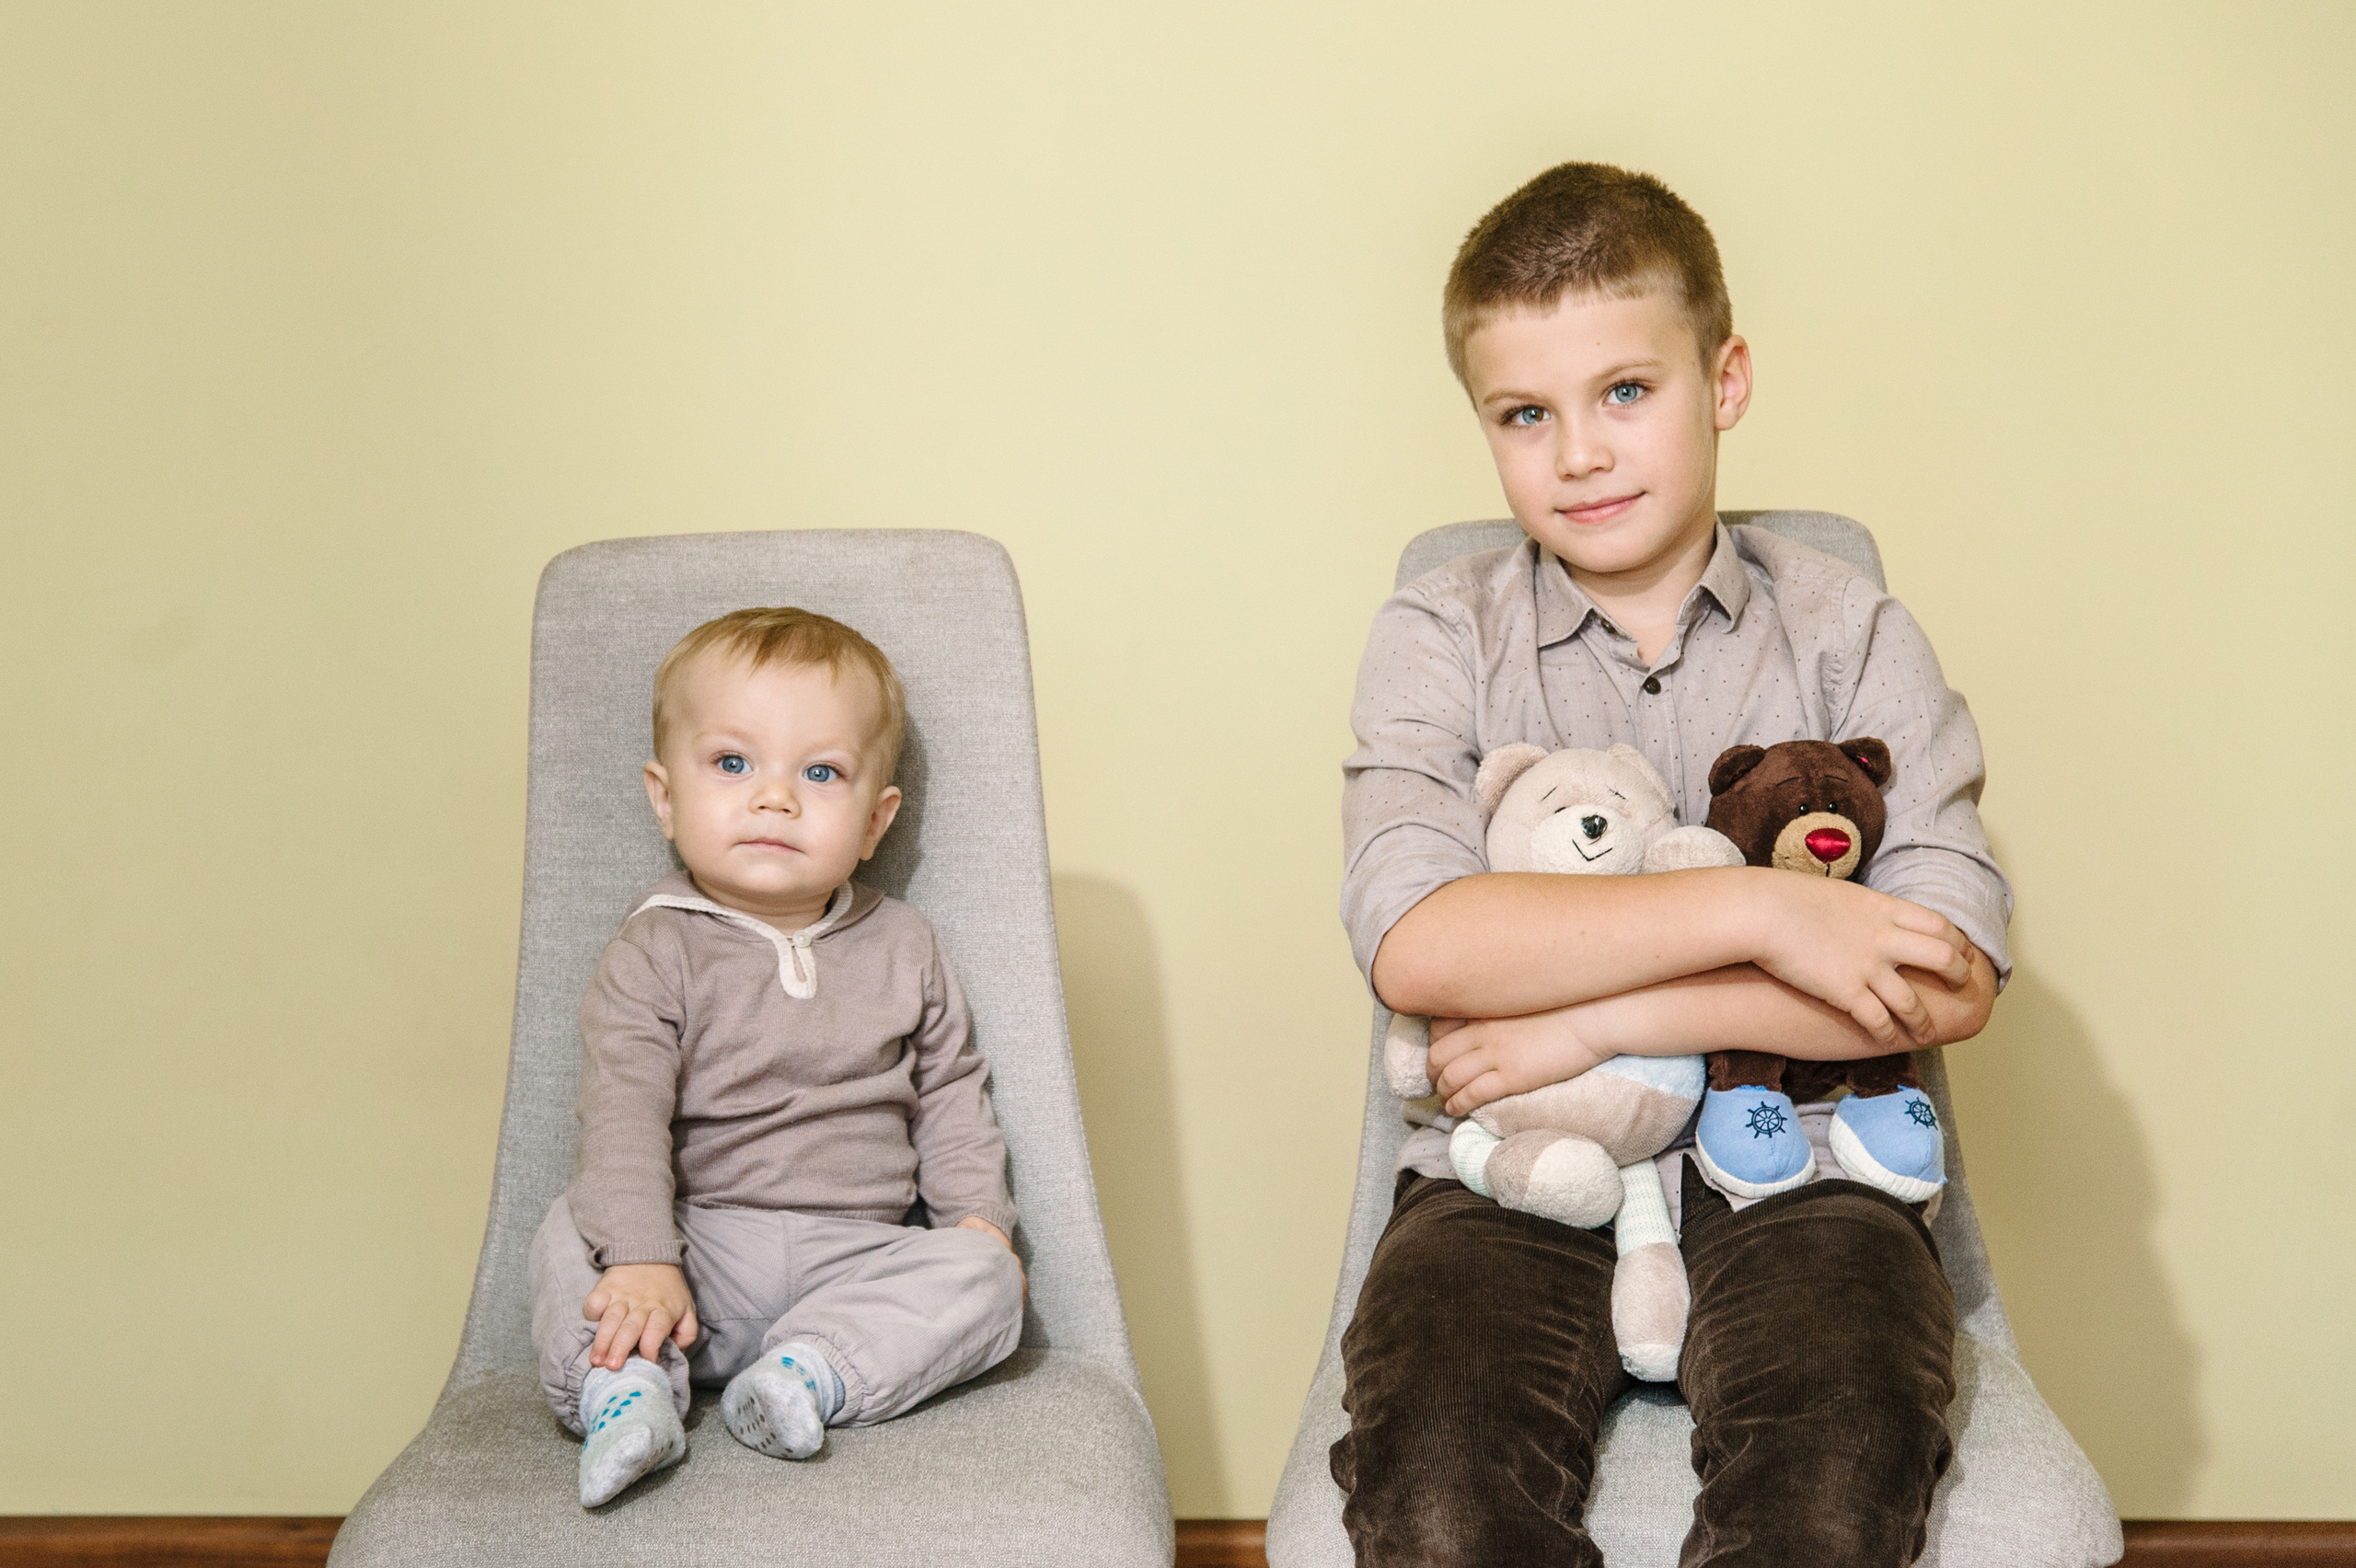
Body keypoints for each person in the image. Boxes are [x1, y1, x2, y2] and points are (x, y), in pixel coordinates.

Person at [1332, 162, 2007, 1566]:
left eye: (1626, 392)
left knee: (1835, 1474)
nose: (1579, 453)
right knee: (1440, 1490)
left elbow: (1943, 975)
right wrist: (1772, 912)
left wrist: (1593, 1015)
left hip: (1815, 1160)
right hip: (1517, 1155)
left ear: (1726, 380)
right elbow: (1420, 943)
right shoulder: (1438, 632)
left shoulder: (1851, 631)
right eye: (1527, 415)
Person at [528, 607, 1025, 1507]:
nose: (774, 797)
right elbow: (623, 1111)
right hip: (697, 1257)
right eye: (731, 764)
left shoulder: (906, 944)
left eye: (821, 773)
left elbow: (952, 1091)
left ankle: (810, 1376)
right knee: (569, 1232)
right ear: (663, 796)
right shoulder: (657, 948)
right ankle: (626, 1392)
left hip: (860, 1258)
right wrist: (643, 1256)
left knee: (989, 1276)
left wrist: (976, 1215)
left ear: (876, 822)